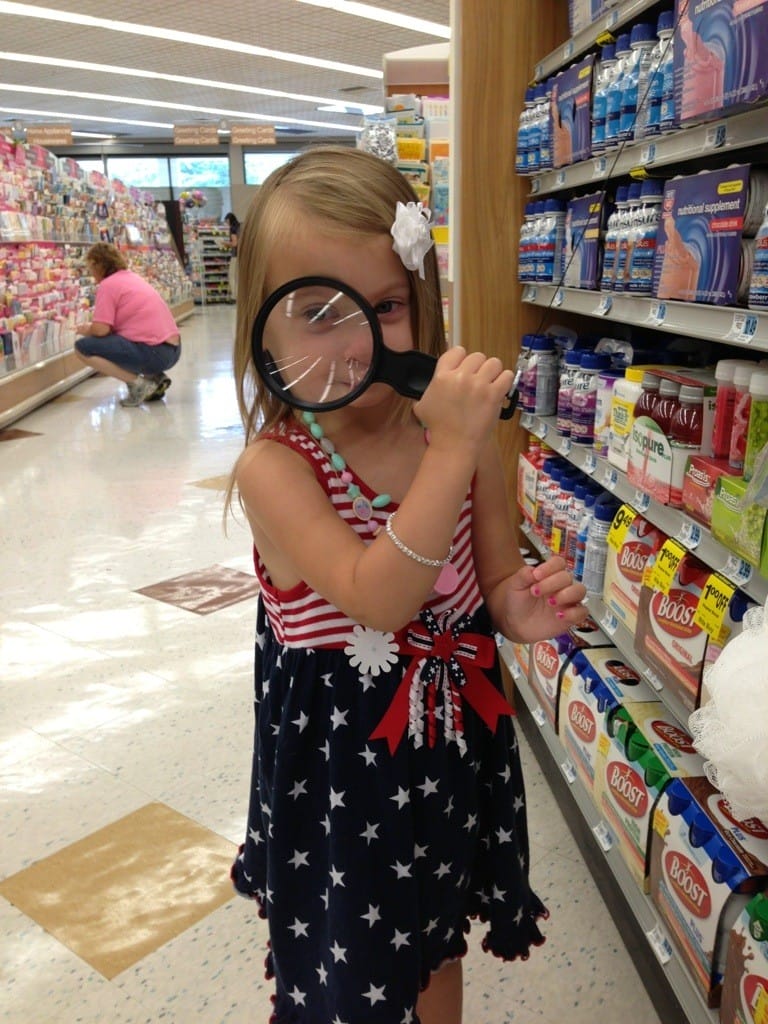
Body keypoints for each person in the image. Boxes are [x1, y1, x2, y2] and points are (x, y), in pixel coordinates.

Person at [228, 147, 588, 1024]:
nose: (358, 342)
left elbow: (493, 582)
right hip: (340, 763)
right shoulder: (277, 469)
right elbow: (378, 597)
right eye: (318, 313)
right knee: (347, 958)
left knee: (437, 938)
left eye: (386, 306)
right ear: (263, 335)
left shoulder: (456, 441)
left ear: (423, 307)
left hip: (449, 742)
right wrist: (456, 448)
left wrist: (520, 608)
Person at [74, 243, 182, 407]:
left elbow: (101, 330)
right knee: (122, 340)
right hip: (173, 350)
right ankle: (155, 377)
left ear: (97, 265)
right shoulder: (132, 277)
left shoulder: (108, 285)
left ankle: (137, 384)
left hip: (155, 353)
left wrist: (87, 329)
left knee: (83, 348)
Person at [224, 211, 240, 302]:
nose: (227, 224)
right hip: (241, 255)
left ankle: (235, 295)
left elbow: (234, 243)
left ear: (230, 220)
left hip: (235, 255)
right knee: (237, 276)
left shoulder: (232, 228)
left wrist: (225, 243)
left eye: (227, 221)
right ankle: (239, 295)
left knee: (231, 275)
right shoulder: (239, 227)